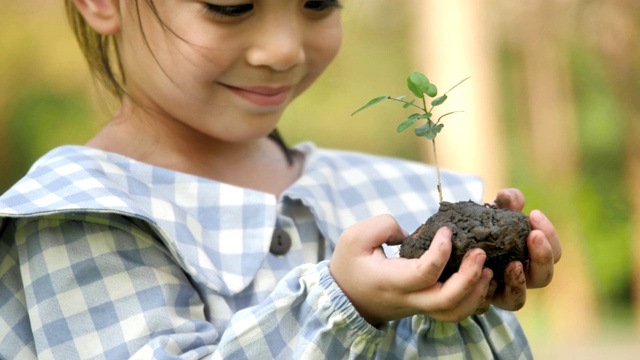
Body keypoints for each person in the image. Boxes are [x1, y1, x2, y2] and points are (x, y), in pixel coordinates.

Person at [0, 0, 561, 358]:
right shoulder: (79, 212)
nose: (284, 49)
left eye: (318, 2)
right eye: (230, 5)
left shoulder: (386, 191)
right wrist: (345, 309)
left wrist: (469, 301)